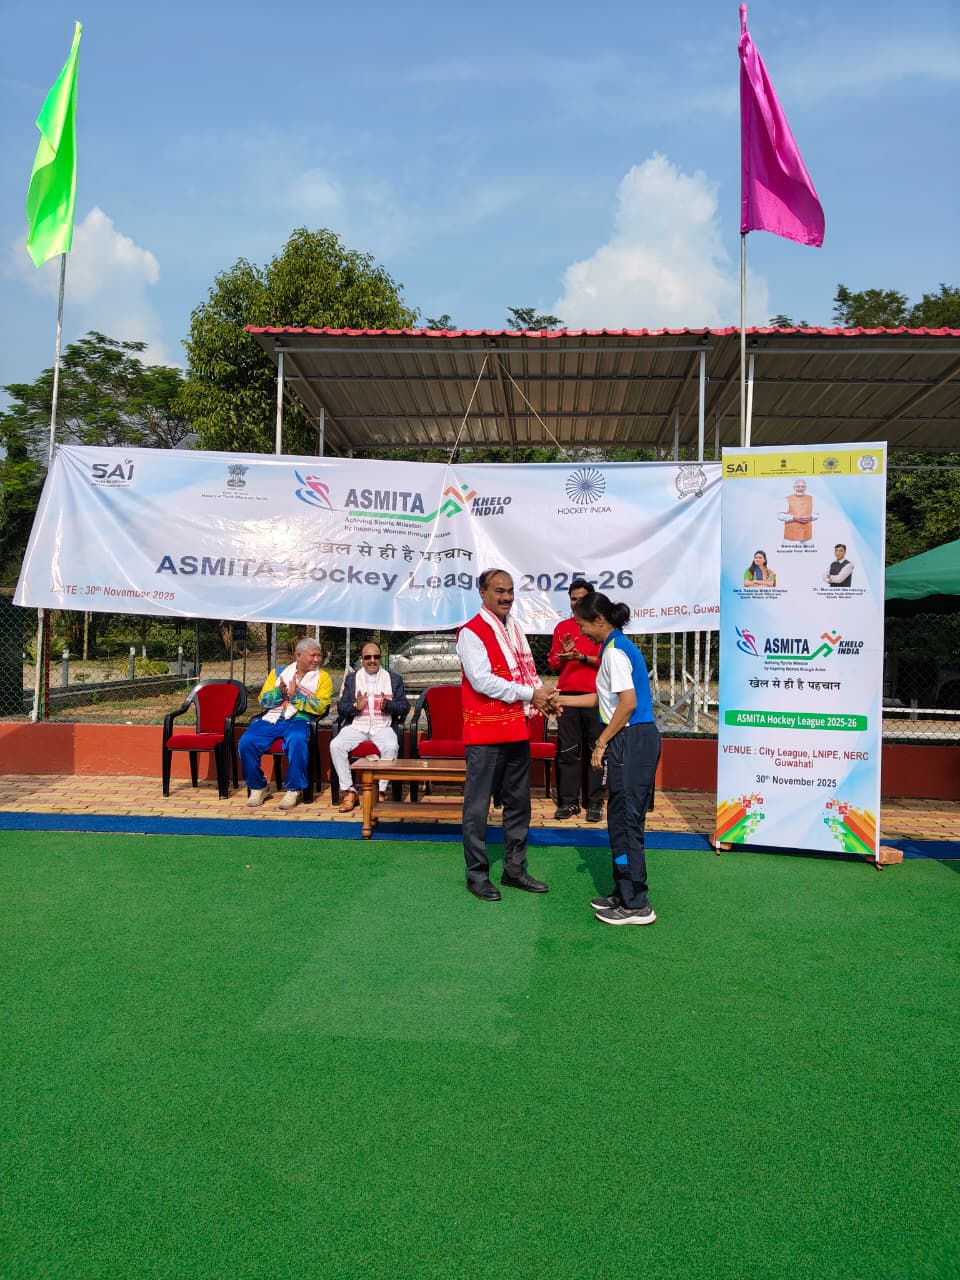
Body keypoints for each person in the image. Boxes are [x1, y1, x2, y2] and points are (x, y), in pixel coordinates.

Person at [555, 593, 660, 926]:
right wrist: (560, 699)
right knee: (620, 819)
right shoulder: (612, 648)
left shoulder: (614, 652)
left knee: (625, 822)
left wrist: (600, 743)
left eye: (583, 625)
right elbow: (602, 700)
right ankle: (624, 892)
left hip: (631, 740)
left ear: (599, 620)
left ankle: (636, 904)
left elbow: (627, 703)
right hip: (631, 739)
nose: (581, 632)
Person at [457, 568, 554, 901]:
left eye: (510, 591)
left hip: (515, 729)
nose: (507, 597)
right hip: (485, 734)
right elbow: (482, 680)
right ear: (482, 592)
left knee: (518, 804)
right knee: (477, 808)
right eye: (499, 591)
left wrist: (545, 698)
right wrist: (531, 695)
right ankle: (477, 875)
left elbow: (528, 673)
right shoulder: (470, 632)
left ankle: (514, 869)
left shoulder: (514, 628)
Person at [238, 637, 333, 810]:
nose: (317, 659)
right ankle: (259, 786)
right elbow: (263, 700)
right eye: (312, 655)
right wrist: (279, 693)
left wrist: (296, 697)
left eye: (319, 655)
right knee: (246, 742)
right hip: (273, 718)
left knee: (297, 739)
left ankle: (294, 789)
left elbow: (321, 706)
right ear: (298, 655)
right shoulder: (278, 673)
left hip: (300, 720)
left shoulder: (323, 678)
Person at [548, 577, 605, 821]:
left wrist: (582, 658)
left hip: (595, 696)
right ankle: (568, 802)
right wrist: (563, 655)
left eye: (582, 598)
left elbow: (607, 662)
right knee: (568, 751)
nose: (577, 602)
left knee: (596, 749)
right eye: (573, 599)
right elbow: (553, 663)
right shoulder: (562, 627)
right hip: (568, 696)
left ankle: (594, 802)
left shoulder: (602, 626)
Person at [331, 641, 409, 813]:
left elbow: (405, 706)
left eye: (376, 656)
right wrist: (356, 707)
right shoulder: (352, 679)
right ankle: (350, 791)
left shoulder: (393, 679)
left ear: (381, 658)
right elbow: (341, 708)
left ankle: (379, 791)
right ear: (362, 659)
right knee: (336, 745)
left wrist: (388, 705)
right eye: (368, 657)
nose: (372, 660)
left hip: (383, 725)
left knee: (391, 746)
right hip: (358, 725)